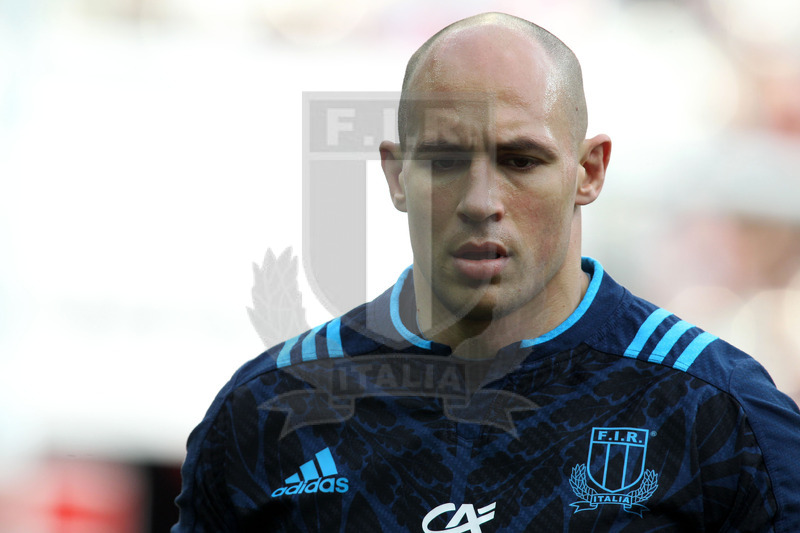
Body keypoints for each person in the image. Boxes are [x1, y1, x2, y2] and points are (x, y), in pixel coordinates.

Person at [173, 12, 800, 532]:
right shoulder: (267, 411)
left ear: (588, 172)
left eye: (521, 160)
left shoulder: (715, 410)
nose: (481, 200)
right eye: (445, 160)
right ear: (396, 174)